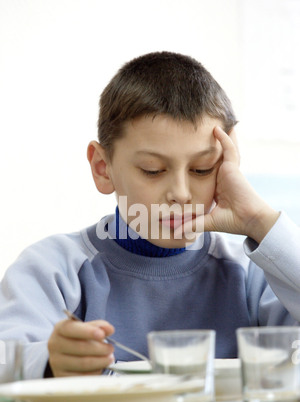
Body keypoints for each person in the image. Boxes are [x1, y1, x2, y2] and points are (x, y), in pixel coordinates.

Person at [0, 51, 299, 380]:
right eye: (153, 170)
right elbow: (7, 357)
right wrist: (48, 360)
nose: (181, 193)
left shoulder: (251, 274)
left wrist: (259, 220)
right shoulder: (53, 268)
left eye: (202, 169)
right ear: (103, 169)